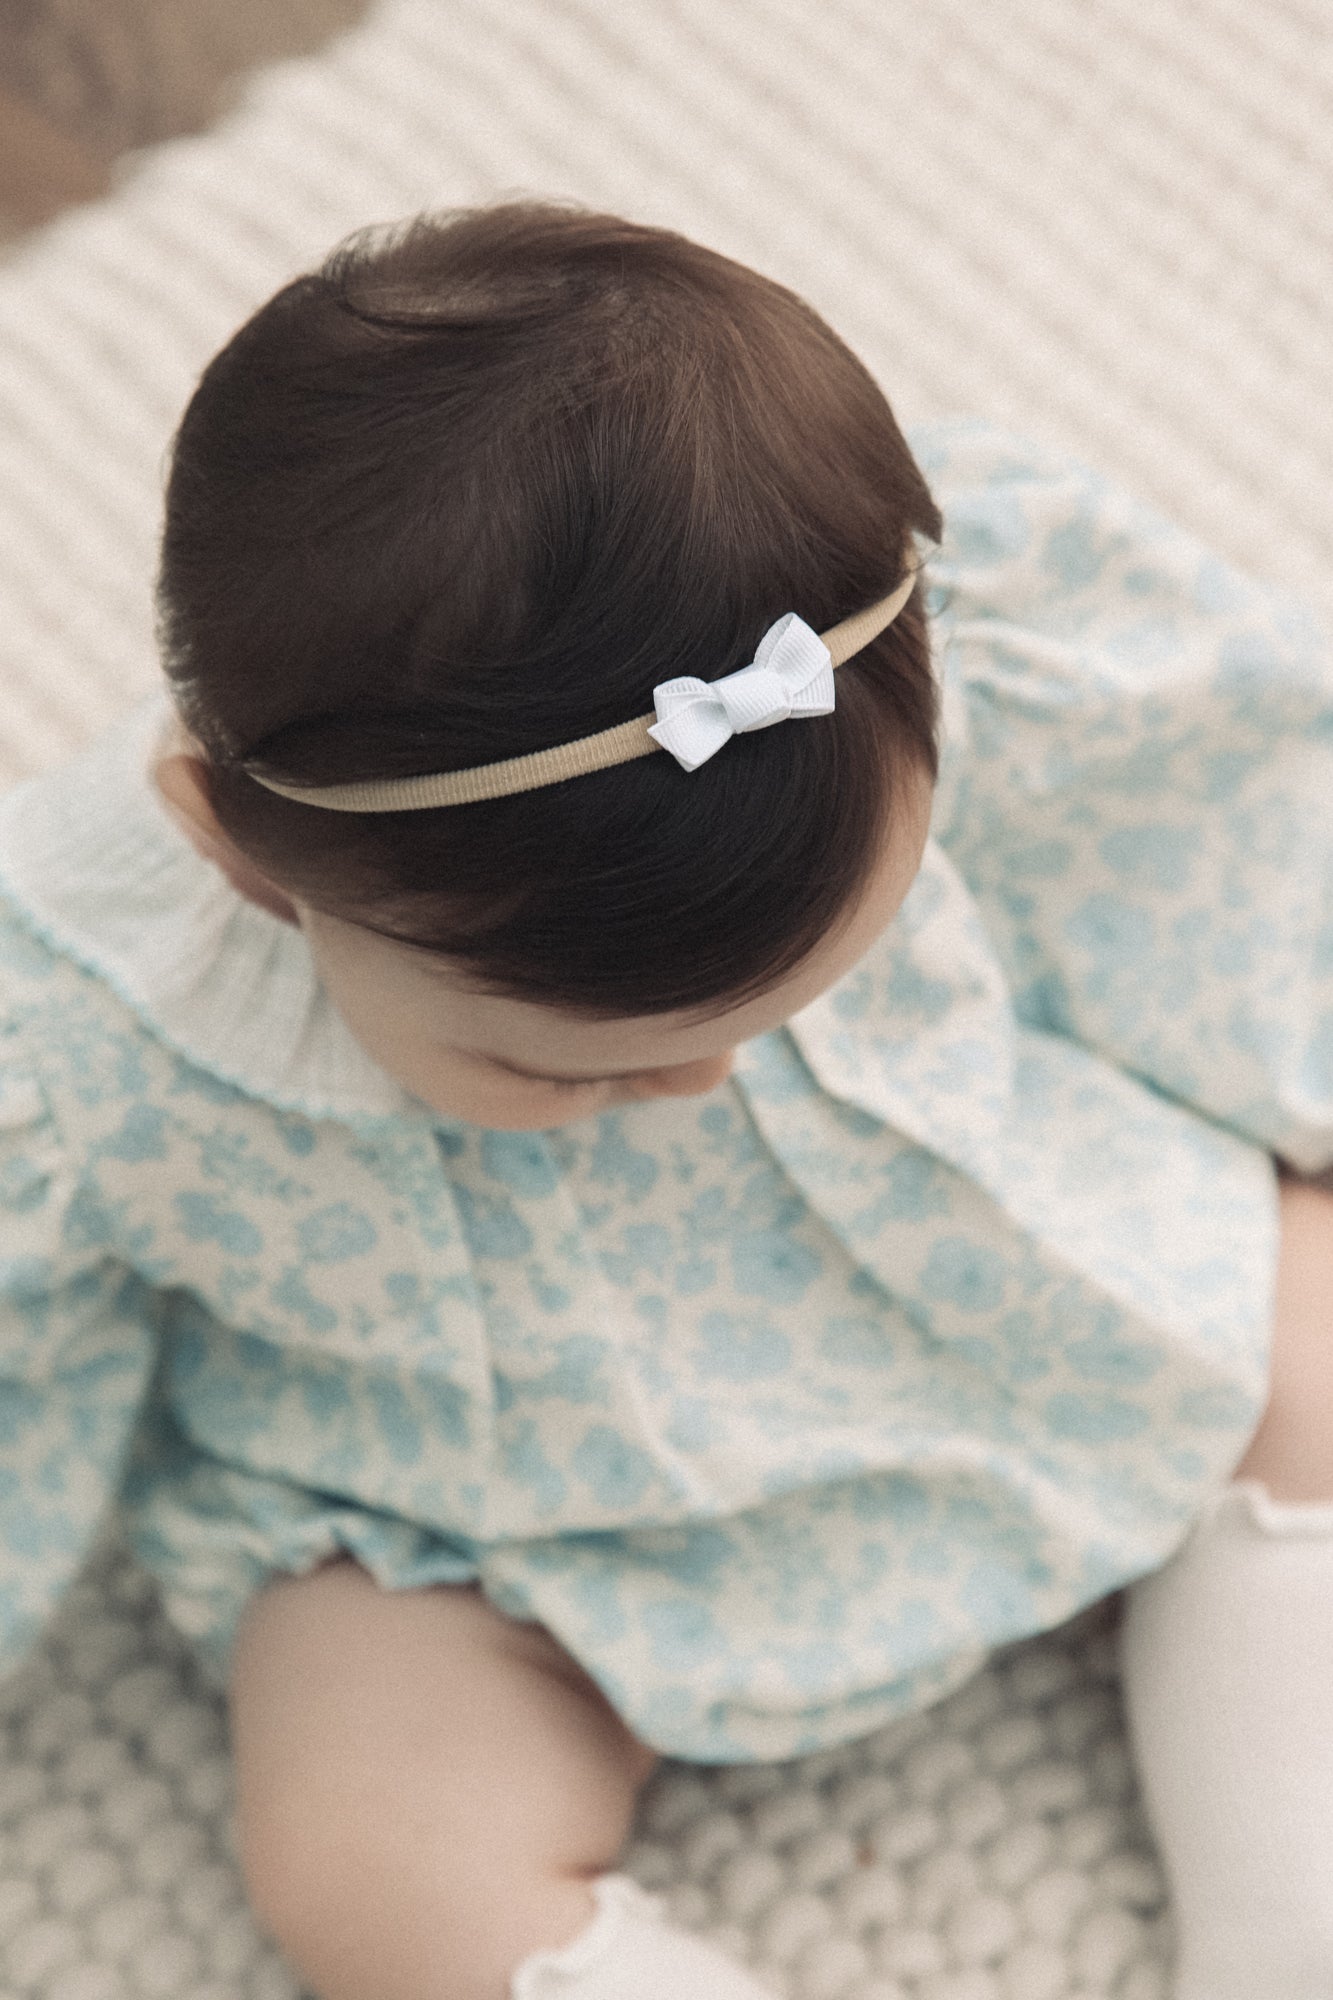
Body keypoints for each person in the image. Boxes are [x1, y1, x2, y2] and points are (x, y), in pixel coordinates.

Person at [0, 201, 1329, 2000]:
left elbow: (1208, 841)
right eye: (573, 1064)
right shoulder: (87, 1027)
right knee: (362, 1852)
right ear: (243, 863)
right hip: (483, 1508)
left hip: (972, 1257)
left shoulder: (893, 652)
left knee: (1307, 1315)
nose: (697, 1081)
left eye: (793, 1002)